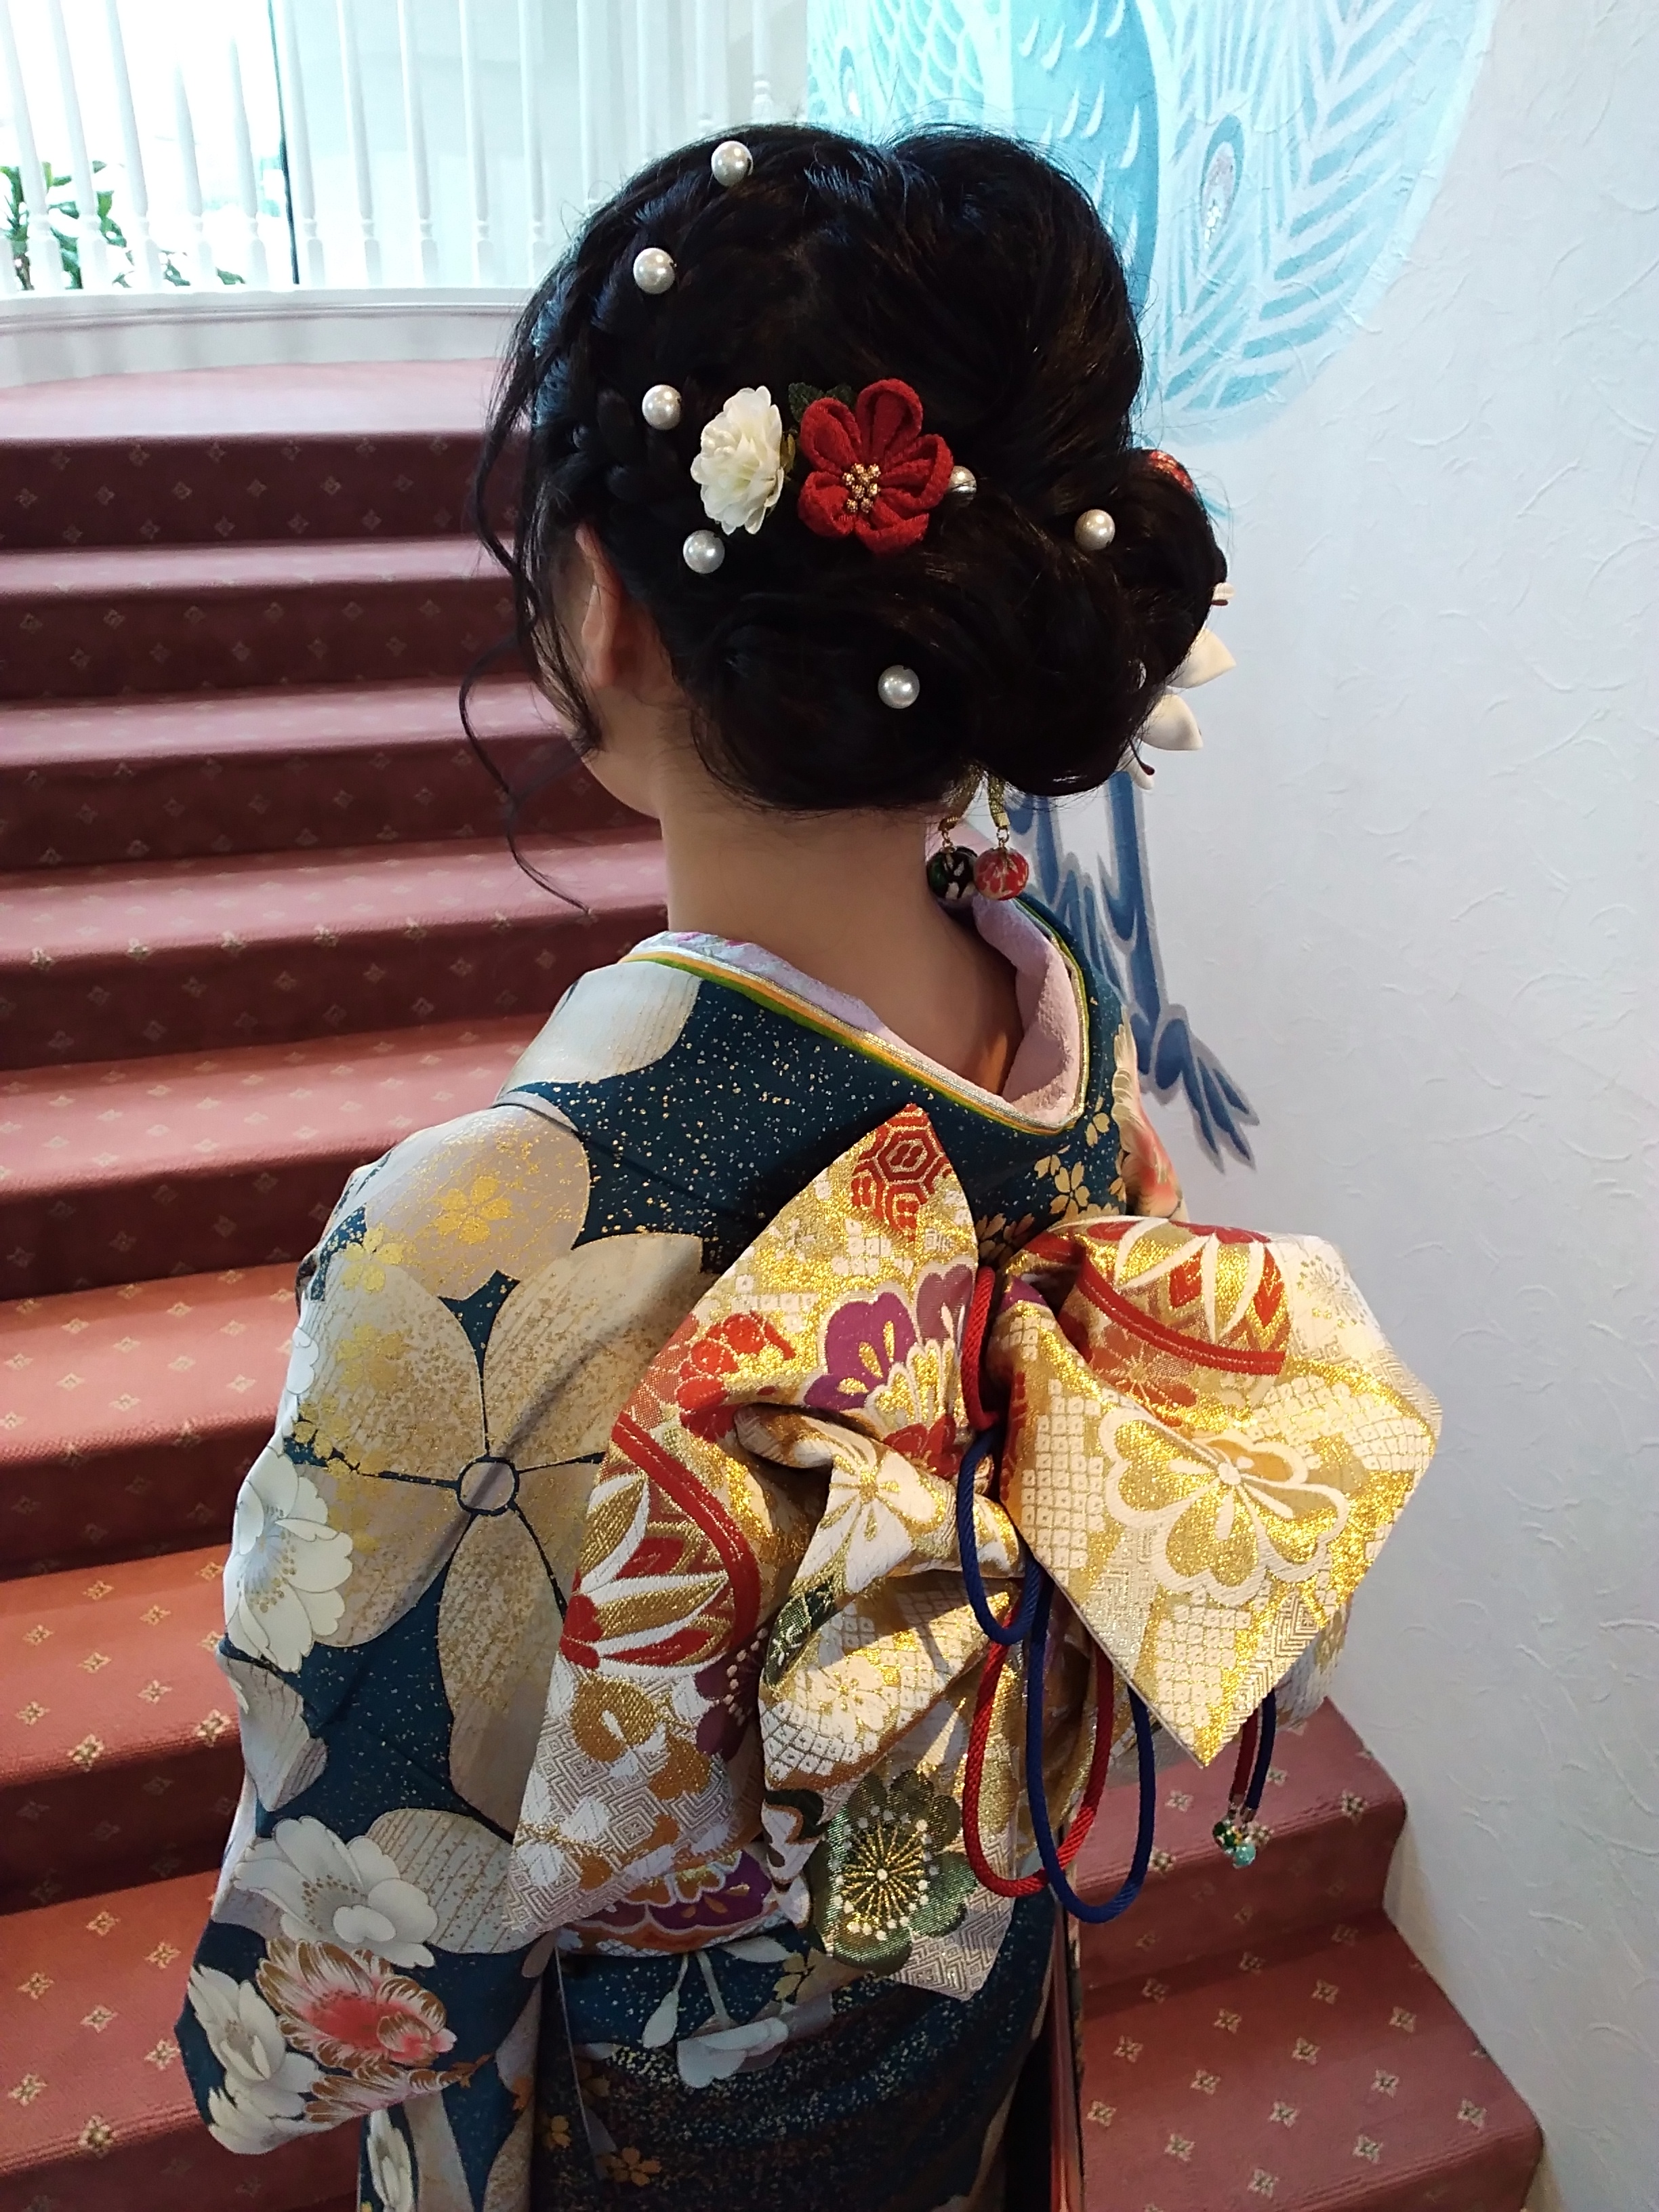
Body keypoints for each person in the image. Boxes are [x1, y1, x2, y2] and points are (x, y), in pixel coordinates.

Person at [178, 125, 1437, 2212]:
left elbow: (364, 1926)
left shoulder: (467, 1254)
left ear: (610, 611)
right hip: (957, 2006)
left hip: (644, 2132)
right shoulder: (1060, 1025)